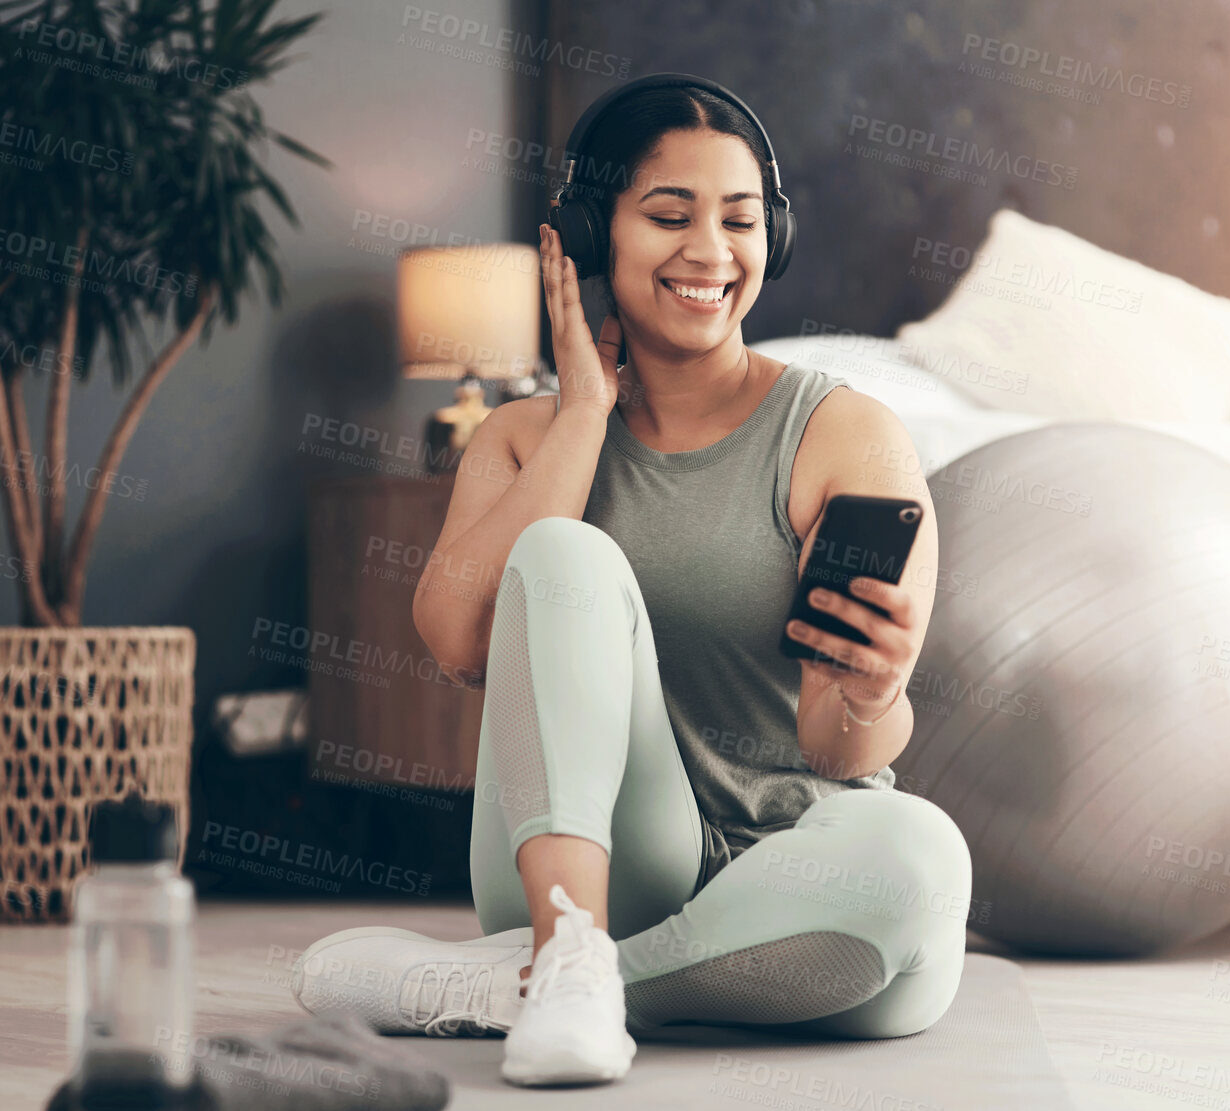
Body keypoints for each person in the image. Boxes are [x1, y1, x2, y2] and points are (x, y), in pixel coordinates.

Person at [290, 83, 972, 1087]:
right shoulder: (525, 436)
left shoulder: (842, 431)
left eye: (740, 221)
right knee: (565, 555)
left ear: (770, 241)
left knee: (917, 855)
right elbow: (455, 640)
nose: (711, 251)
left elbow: (839, 745)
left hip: (811, 878)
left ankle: (520, 987)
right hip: (607, 864)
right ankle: (566, 945)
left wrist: (875, 692)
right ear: (586, 236)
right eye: (669, 216)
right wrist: (578, 420)